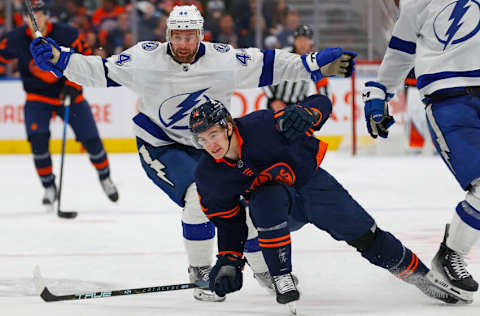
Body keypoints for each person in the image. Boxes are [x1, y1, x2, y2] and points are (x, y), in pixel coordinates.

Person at [29, 3, 358, 302]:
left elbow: (270, 64)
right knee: (197, 198)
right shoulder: (144, 59)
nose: (183, 44)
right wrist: (60, 60)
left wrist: (312, 64)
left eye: (190, 36)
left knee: (247, 214)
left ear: (201, 35)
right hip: (162, 144)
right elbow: (99, 71)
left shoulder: (223, 60)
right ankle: (200, 273)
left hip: (212, 147)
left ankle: (264, 270)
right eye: (177, 36)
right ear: (167, 35)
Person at [189, 95, 464, 311]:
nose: (210, 145)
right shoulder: (209, 174)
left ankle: (421, 278)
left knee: (368, 237)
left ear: (228, 126)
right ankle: (281, 276)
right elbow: (229, 223)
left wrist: (308, 113)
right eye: (202, 139)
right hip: (281, 207)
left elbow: (321, 102)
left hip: (315, 187)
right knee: (265, 200)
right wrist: (229, 260)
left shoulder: (261, 126)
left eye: (213, 134)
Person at [362, 0, 479, 303]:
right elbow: (400, 54)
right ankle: (450, 257)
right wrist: (378, 92)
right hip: (450, 103)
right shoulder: (418, 3)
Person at [0, 0, 118, 209]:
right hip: (37, 97)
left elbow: (86, 58)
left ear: (47, 16)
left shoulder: (67, 34)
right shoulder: (15, 38)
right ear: (25, 19)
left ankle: (105, 177)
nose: (35, 20)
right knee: (38, 141)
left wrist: (74, 85)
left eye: (39, 15)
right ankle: (48, 187)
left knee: (91, 140)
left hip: (70, 96)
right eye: (31, 16)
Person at [263, 25, 329, 112]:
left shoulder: (314, 61)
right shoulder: (283, 55)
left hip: (298, 107)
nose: (303, 43)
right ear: (294, 41)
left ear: (311, 42)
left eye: (306, 40)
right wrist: (273, 100)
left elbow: (322, 85)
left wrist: (324, 106)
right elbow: (265, 73)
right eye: (299, 40)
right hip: (277, 105)